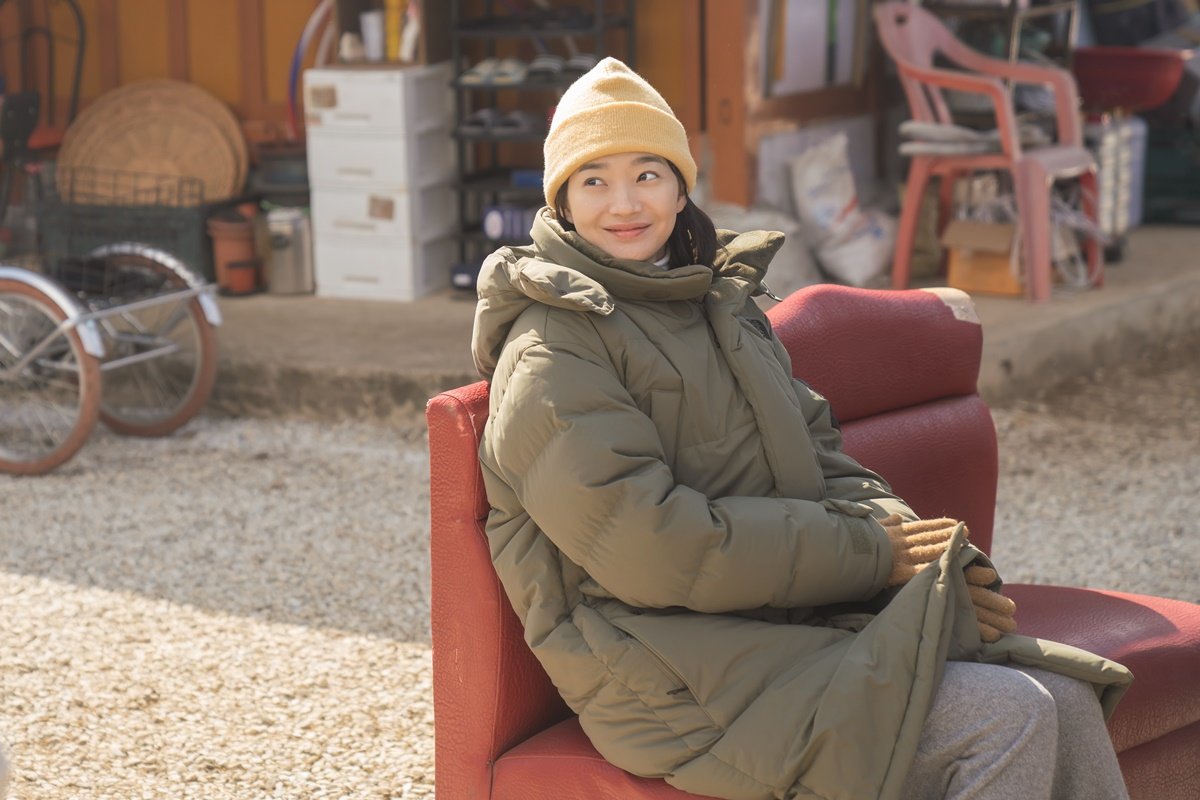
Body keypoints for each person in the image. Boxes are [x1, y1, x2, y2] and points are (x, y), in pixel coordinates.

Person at [471, 57, 1132, 800]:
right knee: (1007, 715)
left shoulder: (717, 305)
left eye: (647, 174)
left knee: (1069, 697)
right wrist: (873, 556)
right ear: (561, 201)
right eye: (593, 181)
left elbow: (822, 457)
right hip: (667, 671)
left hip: (781, 628)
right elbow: (652, 550)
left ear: (681, 189)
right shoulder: (552, 351)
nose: (624, 203)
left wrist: (927, 561)